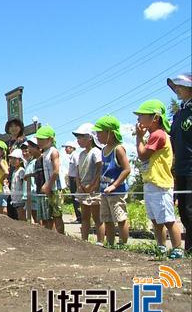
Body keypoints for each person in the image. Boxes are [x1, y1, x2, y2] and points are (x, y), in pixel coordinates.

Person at [135, 99, 183, 259]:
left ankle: (177, 248)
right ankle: (161, 246)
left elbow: (142, 156)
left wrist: (139, 138)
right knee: (156, 219)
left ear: (155, 118)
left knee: (168, 218)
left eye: (142, 115)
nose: (139, 119)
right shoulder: (154, 135)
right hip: (152, 181)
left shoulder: (158, 135)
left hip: (160, 183)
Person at [92, 115, 131, 246]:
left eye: (100, 132)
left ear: (110, 133)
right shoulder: (103, 150)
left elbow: (126, 169)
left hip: (116, 191)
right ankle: (110, 243)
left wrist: (114, 185)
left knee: (120, 217)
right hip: (104, 191)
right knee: (107, 218)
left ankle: (123, 244)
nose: (97, 136)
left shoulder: (118, 149)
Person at [167, 72, 192, 253]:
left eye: (180, 86)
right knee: (183, 211)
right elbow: (173, 141)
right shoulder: (179, 114)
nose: (177, 89)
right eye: (175, 86)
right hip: (180, 169)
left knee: (190, 210)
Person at [72, 123, 104, 244]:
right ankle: (84, 241)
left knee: (97, 217)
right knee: (85, 216)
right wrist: (79, 184)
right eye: (78, 137)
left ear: (90, 137)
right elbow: (78, 171)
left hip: (93, 189)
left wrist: (94, 185)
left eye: (81, 137)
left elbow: (99, 168)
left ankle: (100, 241)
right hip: (82, 188)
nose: (78, 140)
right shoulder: (81, 154)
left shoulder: (96, 152)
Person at [36, 125, 64, 234]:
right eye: (38, 139)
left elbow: (56, 171)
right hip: (49, 188)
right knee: (48, 215)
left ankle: (62, 237)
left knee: (57, 215)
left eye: (42, 139)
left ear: (50, 139)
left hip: (56, 187)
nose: (39, 142)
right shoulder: (44, 153)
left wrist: (48, 185)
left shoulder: (54, 152)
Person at [62, 141, 82, 223]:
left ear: (72, 148)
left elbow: (78, 167)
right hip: (72, 179)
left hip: (75, 180)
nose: (65, 149)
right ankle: (78, 217)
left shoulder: (75, 155)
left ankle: (80, 217)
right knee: (74, 198)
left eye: (67, 147)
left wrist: (77, 179)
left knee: (76, 198)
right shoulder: (71, 156)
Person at [24, 138, 40, 224]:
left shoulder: (36, 161)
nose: (28, 149)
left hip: (35, 192)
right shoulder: (28, 162)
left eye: (30, 147)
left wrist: (29, 175)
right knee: (32, 215)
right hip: (29, 192)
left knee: (38, 216)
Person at [8, 149, 26, 220]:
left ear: (20, 160)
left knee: (22, 216)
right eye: (11, 158)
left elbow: (23, 183)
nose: (12, 160)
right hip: (15, 198)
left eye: (15, 159)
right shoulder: (14, 171)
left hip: (20, 198)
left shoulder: (21, 170)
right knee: (18, 216)